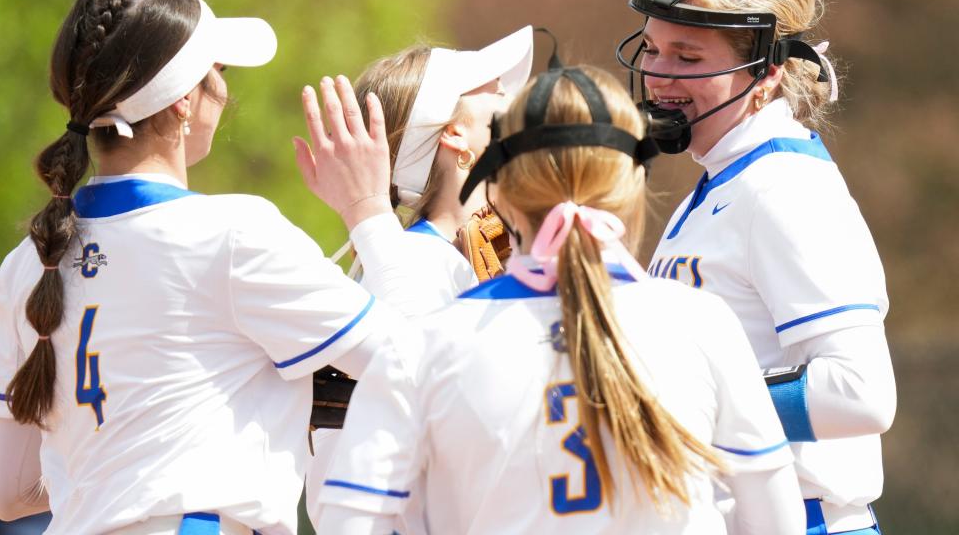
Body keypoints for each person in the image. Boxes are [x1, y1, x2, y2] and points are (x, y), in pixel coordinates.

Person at [309, 65, 806, 534]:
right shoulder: (702, 321)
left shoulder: (428, 341)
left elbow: (349, 520)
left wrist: (369, 215)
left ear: (499, 189)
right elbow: (777, 520)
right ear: (634, 182)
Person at [0, 0, 398, 535]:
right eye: (220, 72)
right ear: (184, 101)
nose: (225, 90)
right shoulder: (232, 234)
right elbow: (413, 365)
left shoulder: (27, 261)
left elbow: (10, 489)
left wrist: (116, 471)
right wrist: (370, 210)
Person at [616, 0, 896, 534]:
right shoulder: (727, 177)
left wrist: (677, 400)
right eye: (652, 49)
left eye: (688, 58)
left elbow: (860, 392)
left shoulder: (783, 187)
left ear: (766, 74)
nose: (658, 75)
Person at [292, 29, 532, 529]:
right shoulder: (421, 263)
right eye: (491, 93)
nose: (509, 99)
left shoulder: (430, 256)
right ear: (453, 133)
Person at [296, 28, 533, 315]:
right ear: (455, 132)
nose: (519, 104)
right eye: (500, 94)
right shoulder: (422, 259)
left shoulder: (514, 243)